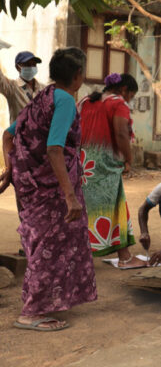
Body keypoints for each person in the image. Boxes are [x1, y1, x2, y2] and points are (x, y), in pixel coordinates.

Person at [0, 47, 97, 331]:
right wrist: (69, 196)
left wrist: (12, 168)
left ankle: (48, 301)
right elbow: (54, 148)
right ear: (78, 76)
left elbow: (8, 134)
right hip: (52, 190)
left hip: (32, 187)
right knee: (49, 247)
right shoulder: (64, 100)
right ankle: (31, 312)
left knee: (42, 245)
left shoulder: (42, 97)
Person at [79, 72, 145, 267]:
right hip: (104, 165)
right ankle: (124, 258)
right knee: (115, 206)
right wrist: (129, 160)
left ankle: (80, 258)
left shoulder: (85, 101)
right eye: (131, 96)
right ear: (124, 90)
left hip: (83, 164)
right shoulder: (118, 104)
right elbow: (121, 132)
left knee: (85, 208)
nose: (129, 100)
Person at [0, 50, 45, 123]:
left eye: (34, 65)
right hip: (19, 133)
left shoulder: (44, 89)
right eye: (27, 65)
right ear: (18, 67)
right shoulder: (12, 88)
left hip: (40, 133)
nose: (31, 67)